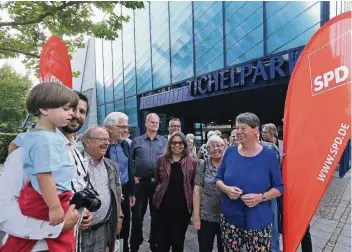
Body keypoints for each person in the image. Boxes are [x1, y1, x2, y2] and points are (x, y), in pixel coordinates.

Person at [0, 90, 93, 252]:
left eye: (82, 111)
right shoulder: (28, 149)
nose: (75, 114)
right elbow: (3, 210)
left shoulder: (76, 151)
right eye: (69, 108)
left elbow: (74, 191)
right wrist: (56, 228)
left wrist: (81, 213)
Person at [215, 112, 284, 251]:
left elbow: (279, 188)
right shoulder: (230, 152)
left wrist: (261, 197)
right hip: (231, 218)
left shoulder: (268, 155)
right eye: (237, 128)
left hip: (259, 219)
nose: (237, 132)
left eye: (243, 128)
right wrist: (227, 189)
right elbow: (218, 179)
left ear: (256, 130)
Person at [151, 131, 197, 252]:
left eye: (180, 143)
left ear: (185, 145)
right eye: (174, 142)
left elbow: (192, 183)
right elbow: (158, 180)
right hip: (163, 207)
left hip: (182, 208)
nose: (177, 145)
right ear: (170, 144)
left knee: (178, 241)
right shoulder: (161, 160)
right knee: (163, 241)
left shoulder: (191, 162)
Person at [129, 113, 168, 252]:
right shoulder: (136, 141)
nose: (155, 125)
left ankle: (155, 243)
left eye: (157, 123)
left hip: (157, 185)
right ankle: (135, 244)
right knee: (137, 217)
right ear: (146, 124)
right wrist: (132, 176)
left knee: (157, 216)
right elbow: (130, 162)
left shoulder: (164, 141)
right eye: (152, 122)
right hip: (140, 184)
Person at [80, 126, 123, 252]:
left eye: (108, 140)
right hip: (79, 231)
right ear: (87, 141)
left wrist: (119, 217)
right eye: (102, 139)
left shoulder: (112, 166)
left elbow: (117, 193)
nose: (106, 143)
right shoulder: (75, 163)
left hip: (103, 227)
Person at [104, 112, 136, 252]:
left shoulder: (125, 145)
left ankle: (123, 249)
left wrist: (132, 192)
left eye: (126, 127)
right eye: (121, 127)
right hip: (108, 194)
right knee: (112, 228)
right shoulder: (102, 147)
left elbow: (129, 169)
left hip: (125, 190)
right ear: (109, 127)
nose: (126, 130)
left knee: (125, 227)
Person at [193, 135, 226, 252]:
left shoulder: (230, 164)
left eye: (219, 145)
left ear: (225, 147)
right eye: (212, 146)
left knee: (225, 248)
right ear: (207, 149)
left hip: (226, 216)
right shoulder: (203, 164)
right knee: (205, 247)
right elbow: (197, 190)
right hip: (206, 215)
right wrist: (196, 216)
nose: (216, 148)